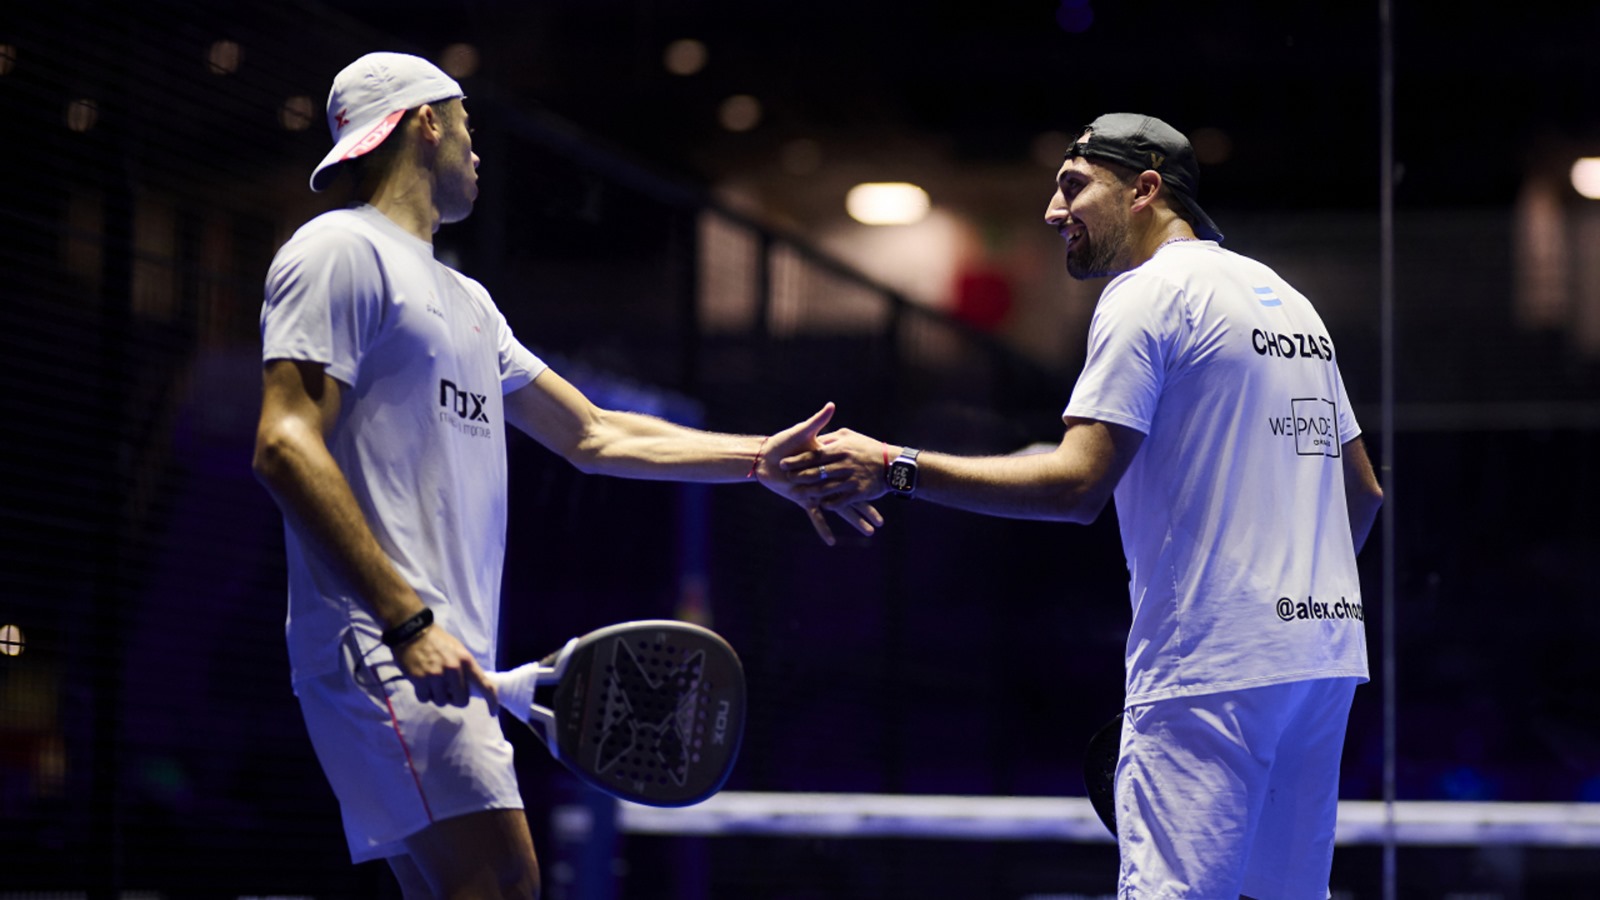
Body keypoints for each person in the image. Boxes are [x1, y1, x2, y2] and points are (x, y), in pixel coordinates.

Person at [252, 52, 879, 899]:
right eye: (467, 124)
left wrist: (757, 461)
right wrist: (406, 621)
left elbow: (593, 432)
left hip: (437, 655)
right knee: (506, 882)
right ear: (424, 120)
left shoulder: (467, 303)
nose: (478, 150)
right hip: (381, 646)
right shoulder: (337, 250)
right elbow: (286, 445)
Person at [785, 113, 1384, 899]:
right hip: (1321, 661)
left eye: (1074, 185)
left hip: (1209, 668)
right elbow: (1363, 493)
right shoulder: (1289, 303)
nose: (1051, 211)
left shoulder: (1146, 292)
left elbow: (1077, 488)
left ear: (1145, 189)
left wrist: (894, 466)